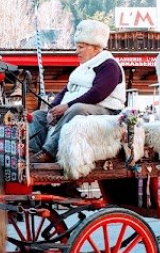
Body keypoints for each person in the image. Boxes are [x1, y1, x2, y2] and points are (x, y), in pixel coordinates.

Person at [29, 19, 125, 163]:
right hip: (73, 108)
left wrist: (67, 105)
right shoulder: (82, 68)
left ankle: (50, 151)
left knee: (77, 109)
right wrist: (53, 108)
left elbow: (98, 93)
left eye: (80, 47)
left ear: (95, 47)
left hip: (106, 110)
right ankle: (32, 152)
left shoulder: (109, 65)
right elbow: (66, 90)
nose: (76, 51)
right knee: (37, 116)